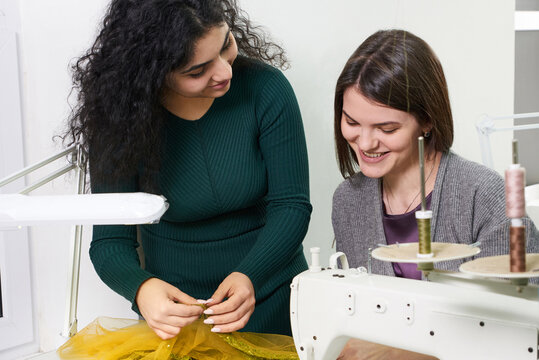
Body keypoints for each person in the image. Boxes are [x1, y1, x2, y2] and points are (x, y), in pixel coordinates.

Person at [63, 0, 311, 340]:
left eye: (226, 45)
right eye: (198, 71)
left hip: (277, 299)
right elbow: (109, 244)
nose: (225, 72)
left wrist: (250, 275)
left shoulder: (266, 89)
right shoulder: (119, 122)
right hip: (179, 321)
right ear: (150, 74)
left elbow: (292, 206)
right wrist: (142, 290)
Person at [332, 29, 538, 359]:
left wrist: (405, 354)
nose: (366, 143)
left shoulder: (485, 197)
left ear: (426, 120)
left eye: (386, 129)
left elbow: (515, 328)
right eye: (351, 121)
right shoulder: (348, 201)